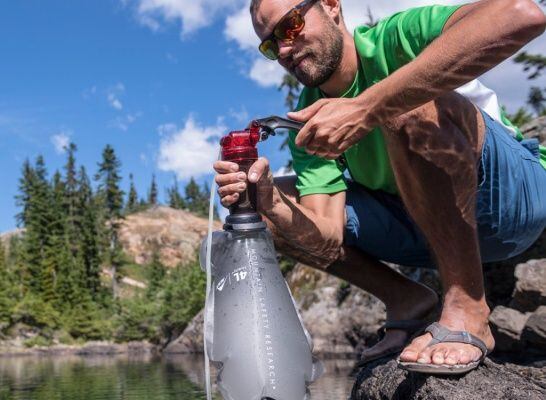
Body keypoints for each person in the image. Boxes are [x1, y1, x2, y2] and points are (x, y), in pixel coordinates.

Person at [214, 0, 546, 374]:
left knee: (407, 107)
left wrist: (367, 107)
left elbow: (523, 15)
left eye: (290, 26)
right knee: (263, 210)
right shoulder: (308, 119)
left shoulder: (397, 38)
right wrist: (271, 202)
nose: (285, 50)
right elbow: (328, 236)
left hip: (512, 199)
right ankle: (407, 301)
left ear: (330, 5)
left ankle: (468, 307)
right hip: (429, 226)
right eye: (271, 45)